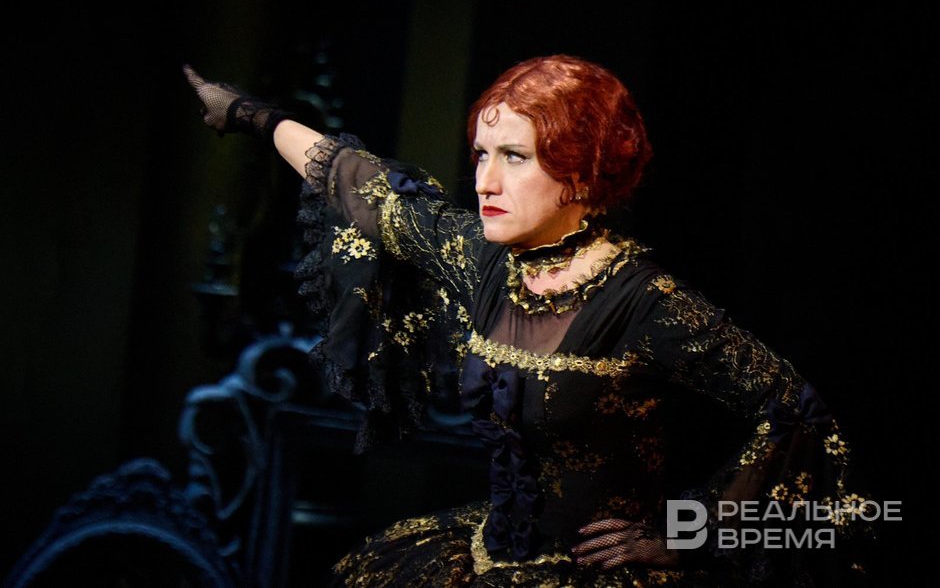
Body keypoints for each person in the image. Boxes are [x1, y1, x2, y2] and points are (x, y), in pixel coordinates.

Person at [184, 56, 874, 587]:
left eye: (514, 157)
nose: (485, 181)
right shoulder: (484, 261)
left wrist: (686, 535)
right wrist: (250, 115)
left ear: (582, 171)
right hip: (482, 558)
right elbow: (362, 185)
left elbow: (799, 413)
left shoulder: (647, 305)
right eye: (482, 155)